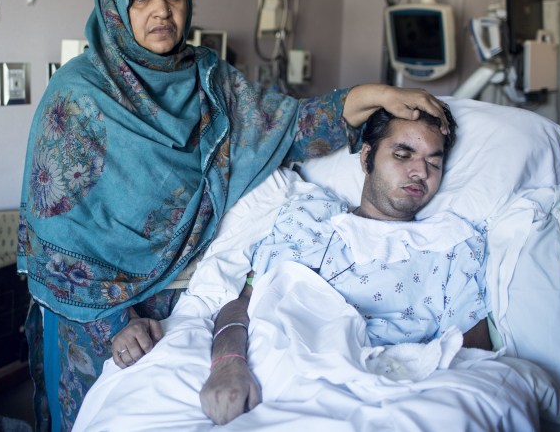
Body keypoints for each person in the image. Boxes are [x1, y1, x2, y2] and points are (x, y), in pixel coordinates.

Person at [17, 0, 449, 431]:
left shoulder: (208, 79)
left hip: (184, 304)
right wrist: (117, 323)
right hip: (98, 312)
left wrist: (381, 95)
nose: (162, 9)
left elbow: (290, 127)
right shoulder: (76, 97)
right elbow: (61, 240)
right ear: (115, 8)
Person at [199, 105, 493, 425]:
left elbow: (472, 358)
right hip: (268, 383)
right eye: (403, 154)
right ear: (367, 158)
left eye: (433, 162)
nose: (420, 172)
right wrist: (228, 363)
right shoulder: (305, 216)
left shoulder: (450, 247)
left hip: (378, 400)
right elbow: (244, 301)